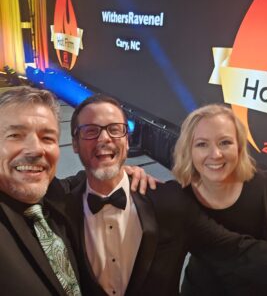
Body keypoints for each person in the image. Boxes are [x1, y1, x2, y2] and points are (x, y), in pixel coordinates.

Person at [63, 93, 267, 296]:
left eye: (115, 130)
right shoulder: (58, 201)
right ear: (74, 142)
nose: (105, 138)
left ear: (127, 139)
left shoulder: (171, 200)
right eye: (91, 131)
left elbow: (238, 251)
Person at [0, 86, 155, 296]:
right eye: (15, 135)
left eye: (47, 138)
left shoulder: (55, 193)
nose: (35, 149)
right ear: (74, 143)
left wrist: (118, 170)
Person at [172, 103, 267, 296]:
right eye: (202, 144)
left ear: (239, 146)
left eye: (225, 142)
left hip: (258, 287)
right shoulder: (182, 194)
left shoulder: (265, 186)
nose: (215, 154)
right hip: (201, 288)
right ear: (189, 151)